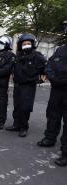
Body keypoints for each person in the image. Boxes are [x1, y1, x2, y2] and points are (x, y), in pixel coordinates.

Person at [37, 24, 67, 166]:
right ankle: (49, 139)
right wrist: (52, 76)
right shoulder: (61, 49)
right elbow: (49, 64)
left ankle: (66, 152)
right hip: (56, 90)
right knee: (53, 114)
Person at [5, 34, 46, 137]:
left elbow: (46, 67)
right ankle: (16, 125)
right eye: (24, 44)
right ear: (20, 45)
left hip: (28, 85)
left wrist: (42, 78)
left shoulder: (37, 55)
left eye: (28, 43)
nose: (26, 45)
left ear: (32, 44)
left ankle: (24, 127)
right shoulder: (19, 56)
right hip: (18, 85)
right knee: (17, 106)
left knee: (25, 107)